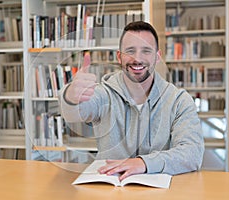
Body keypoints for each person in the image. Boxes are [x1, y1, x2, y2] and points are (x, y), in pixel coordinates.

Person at [59, 21, 204, 181]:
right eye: (130, 51)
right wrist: (71, 97)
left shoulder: (179, 101)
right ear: (119, 57)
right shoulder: (103, 93)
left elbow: (192, 153)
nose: (137, 59)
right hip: (108, 189)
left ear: (157, 57)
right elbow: (74, 114)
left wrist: (143, 163)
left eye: (146, 51)